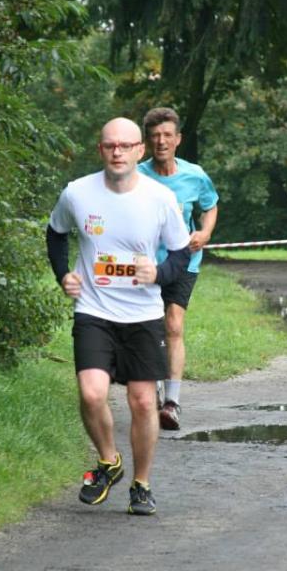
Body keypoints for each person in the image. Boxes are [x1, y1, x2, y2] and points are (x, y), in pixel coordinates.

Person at [46, 117, 191, 515]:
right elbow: (55, 232)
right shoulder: (77, 193)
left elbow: (181, 253)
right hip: (93, 310)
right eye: (110, 145)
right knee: (92, 393)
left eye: (126, 146)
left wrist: (158, 273)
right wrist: (63, 274)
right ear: (100, 150)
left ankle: (141, 485)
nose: (117, 152)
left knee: (143, 402)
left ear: (139, 151)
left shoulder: (160, 198)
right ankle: (109, 462)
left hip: (142, 315)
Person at [138, 107, 219, 431]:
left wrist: (205, 232)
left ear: (178, 139)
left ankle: (171, 403)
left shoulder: (194, 175)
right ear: (147, 141)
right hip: (146, 264)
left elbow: (210, 205)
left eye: (167, 135)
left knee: (173, 325)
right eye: (155, 136)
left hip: (184, 260)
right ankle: (155, 389)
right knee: (149, 327)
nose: (161, 141)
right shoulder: (136, 176)